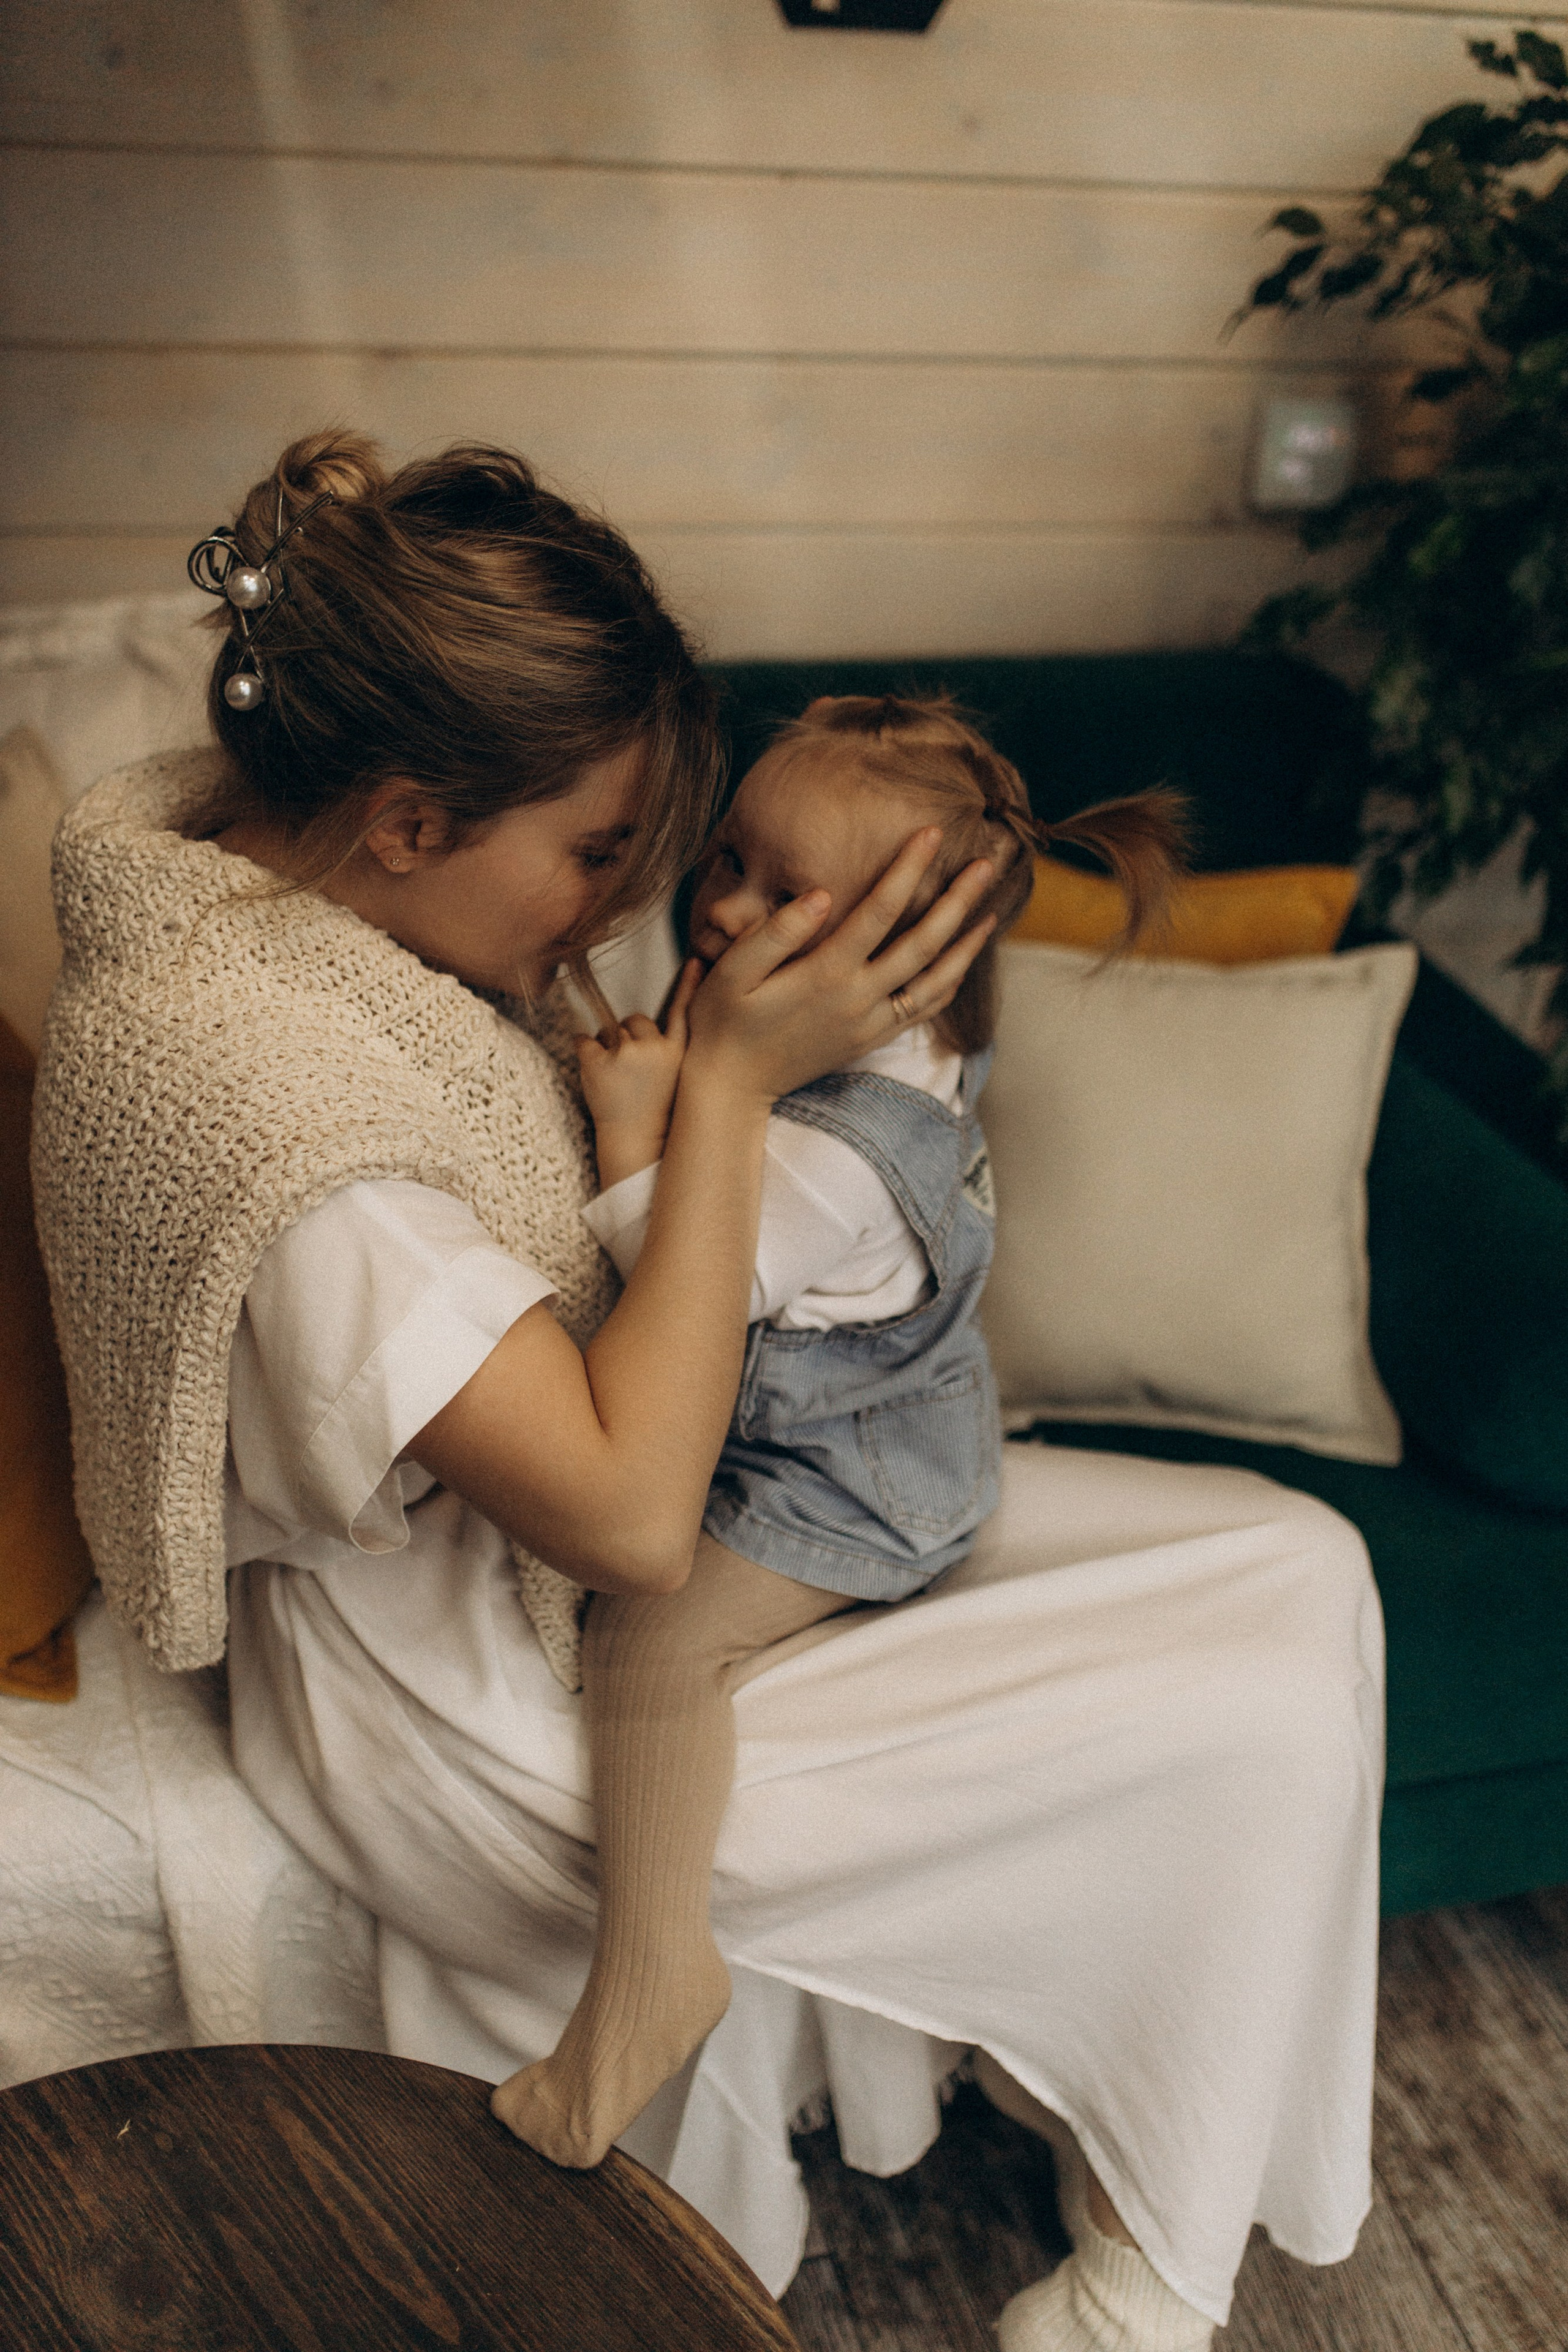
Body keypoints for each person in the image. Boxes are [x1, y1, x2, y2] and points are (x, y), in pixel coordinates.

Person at [33, 431, 1384, 2352]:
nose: (621, 914)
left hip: (647, 1509)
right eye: (599, 856)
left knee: (1304, 1565)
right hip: (477, 1699)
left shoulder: (321, 903)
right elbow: (631, 1521)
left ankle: (1157, 2150)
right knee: (1251, 1714)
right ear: (409, 819)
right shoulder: (289, 1128)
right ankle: (1153, 2272)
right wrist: (737, 1095)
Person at [496, 693, 1187, 2177]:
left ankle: (651, 1976)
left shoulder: (843, 1155)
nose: (720, 903)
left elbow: (682, 1287)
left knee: (646, 1636)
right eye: (726, 856)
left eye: (777, 889)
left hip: (841, 1493)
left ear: (905, 954)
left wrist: (634, 1130)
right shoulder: (872, 1058)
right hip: (879, 1427)